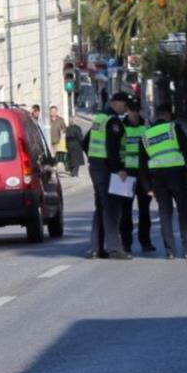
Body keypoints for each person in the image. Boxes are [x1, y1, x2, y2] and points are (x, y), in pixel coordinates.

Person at [140, 103, 187, 259]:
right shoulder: (173, 128)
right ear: (167, 115)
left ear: (156, 116)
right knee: (183, 212)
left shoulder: (146, 135)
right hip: (177, 175)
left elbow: (142, 162)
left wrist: (147, 186)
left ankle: (170, 251)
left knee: (165, 214)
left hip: (157, 178)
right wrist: (181, 162)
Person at [81, 93, 132, 260]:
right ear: (116, 103)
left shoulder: (99, 119)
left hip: (96, 166)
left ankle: (96, 248)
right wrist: (119, 169)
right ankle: (114, 249)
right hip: (107, 168)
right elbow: (112, 148)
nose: (125, 107)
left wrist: (93, 158)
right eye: (124, 103)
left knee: (101, 207)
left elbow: (86, 142)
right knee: (111, 208)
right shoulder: (112, 121)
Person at [118, 98, 156, 253]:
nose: (134, 113)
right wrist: (119, 168)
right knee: (125, 211)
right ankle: (126, 243)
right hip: (126, 173)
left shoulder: (146, 128)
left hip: (143, 174)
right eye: (131, 110)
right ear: (127, 111)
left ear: (139, 111)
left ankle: (145, 242)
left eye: (136, 110)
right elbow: (116, 150)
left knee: (144, 211)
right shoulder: (121, 127)